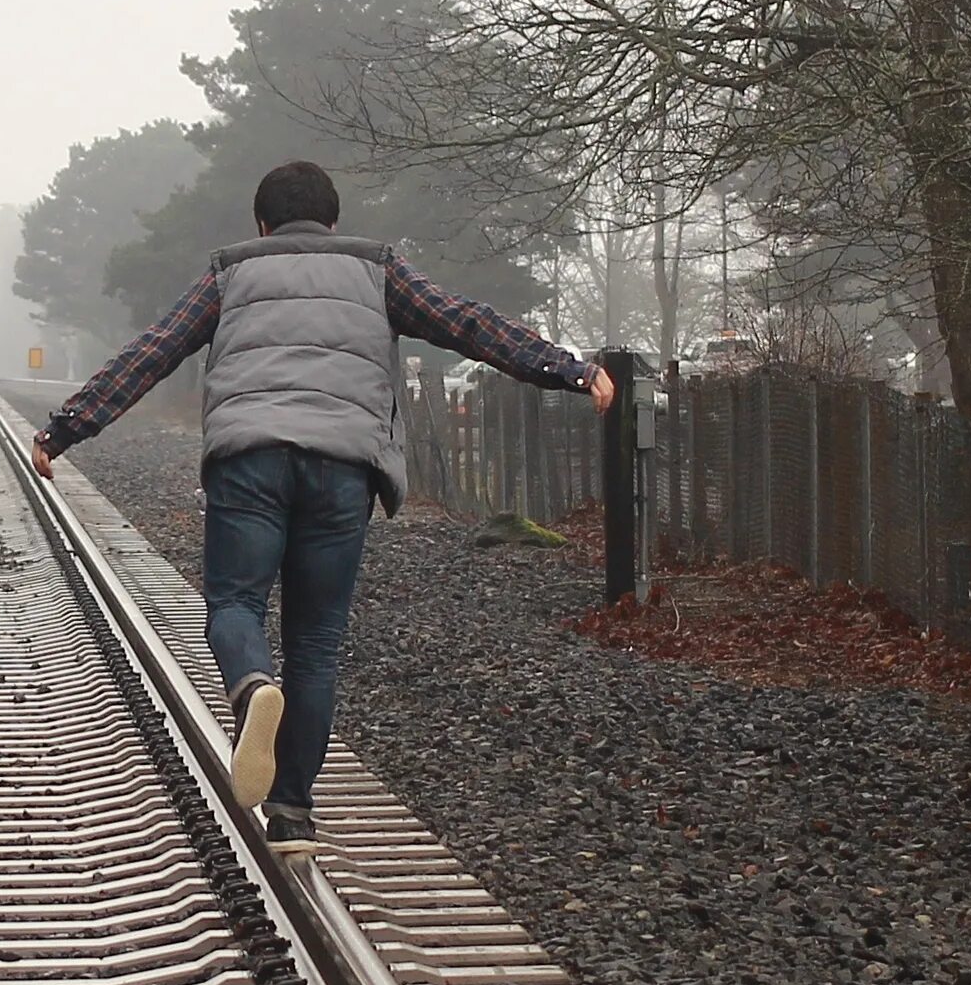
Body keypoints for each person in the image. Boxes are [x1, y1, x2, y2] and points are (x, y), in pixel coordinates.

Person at [31, 160, 615, 852]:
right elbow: (470, 325)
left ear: (263, 224)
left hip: (249, 460)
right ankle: (293, 814)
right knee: (315, 643)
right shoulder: (378, 270)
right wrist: (570, 369)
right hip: (343, 467)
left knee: (236, 605)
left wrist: (65, 429)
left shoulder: (231, 272)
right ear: (334, 223)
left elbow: (151, 352)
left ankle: (250, 688)